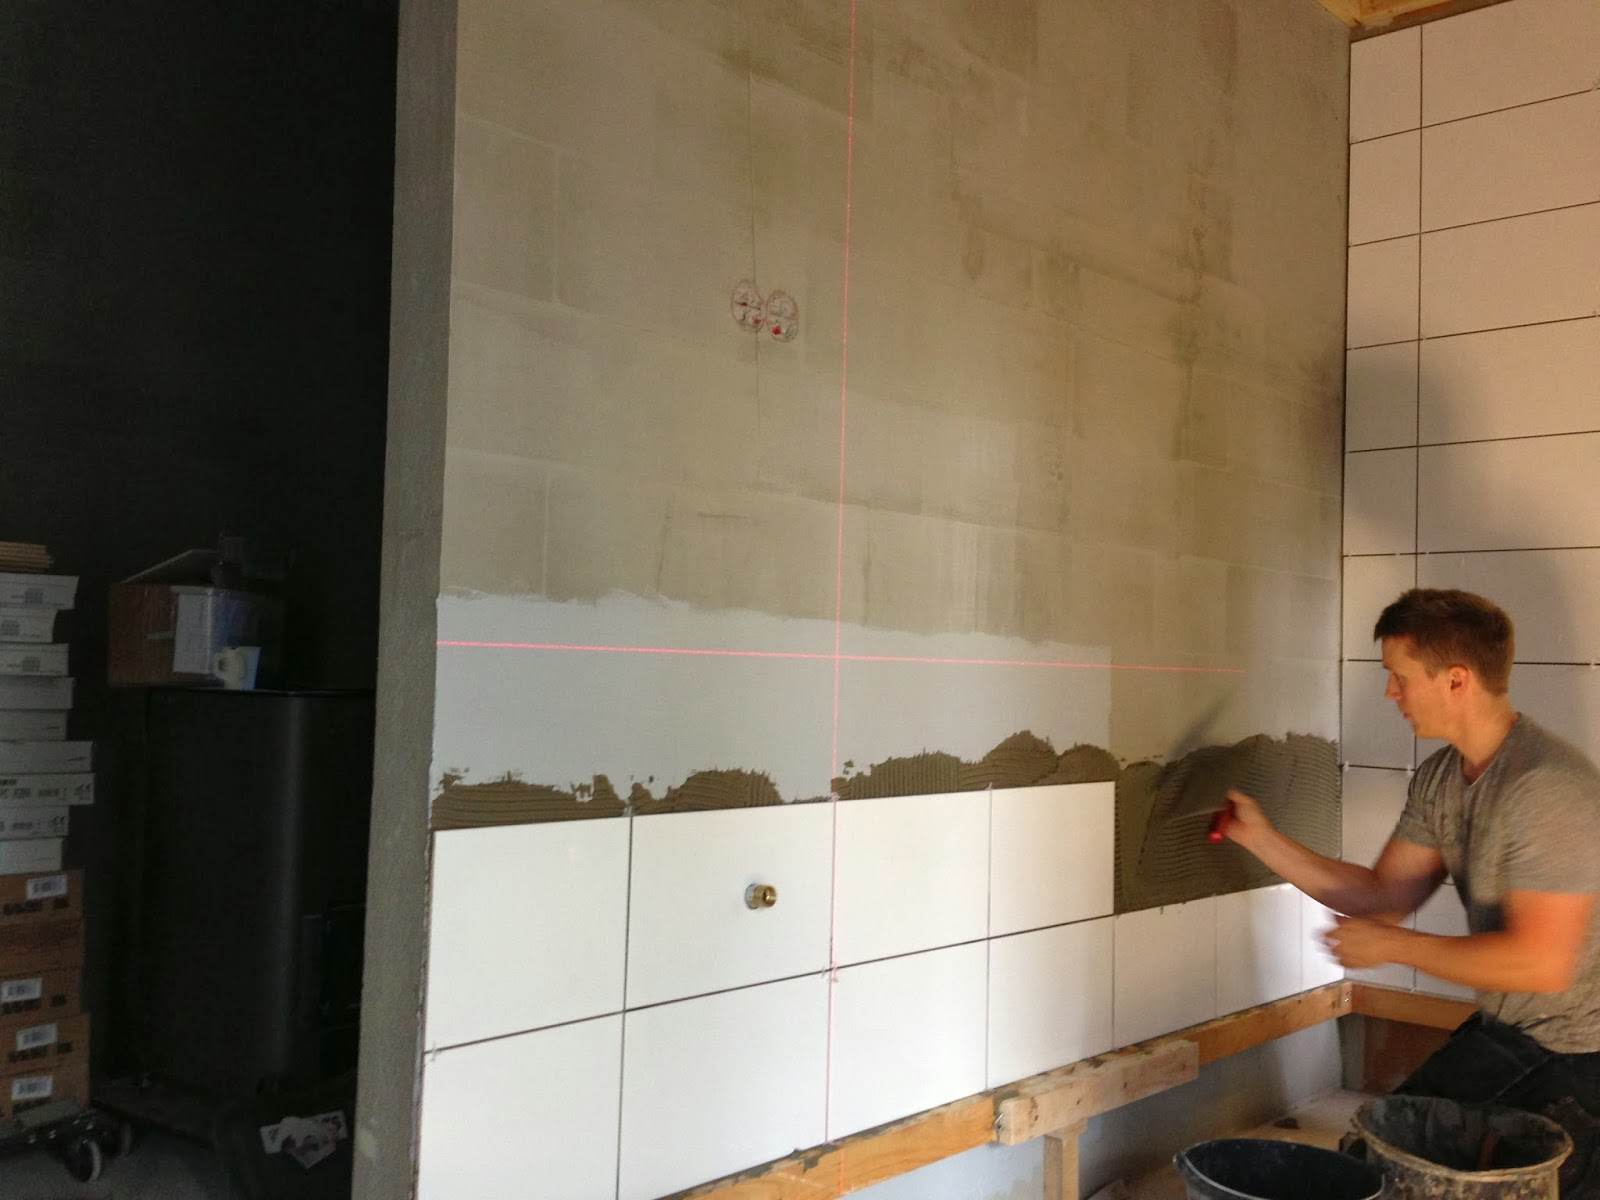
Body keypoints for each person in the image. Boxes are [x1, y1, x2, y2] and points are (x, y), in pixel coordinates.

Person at [1222, 588, 1600, 1193]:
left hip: (1580, 1055)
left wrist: (1392, 948)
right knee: (1372, 1158)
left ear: (1456, 680)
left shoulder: (1545, 787)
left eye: (1399, 677)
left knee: (1400, 1172)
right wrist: (1261, 838)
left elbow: (1541, 963)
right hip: (1513, 1034)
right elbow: (1384, 896)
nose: (1390, 693)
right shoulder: (1442, 779)